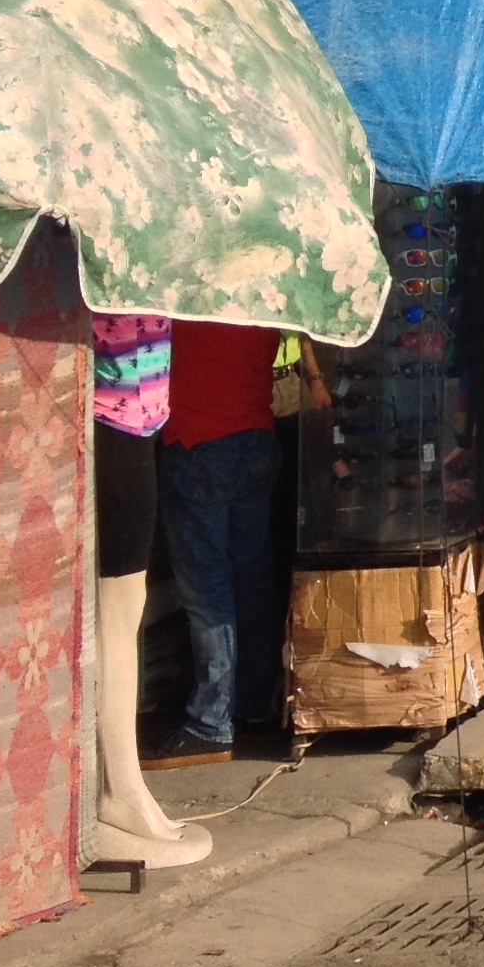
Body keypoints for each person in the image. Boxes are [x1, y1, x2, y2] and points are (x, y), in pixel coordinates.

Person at [152, 316, 286, 762]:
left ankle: (212, 719)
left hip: (199, 444)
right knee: (252, 579)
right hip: (256, 438)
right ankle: (251, 702)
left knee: (207, 589)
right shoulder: (261, 297)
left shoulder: (190, 295)